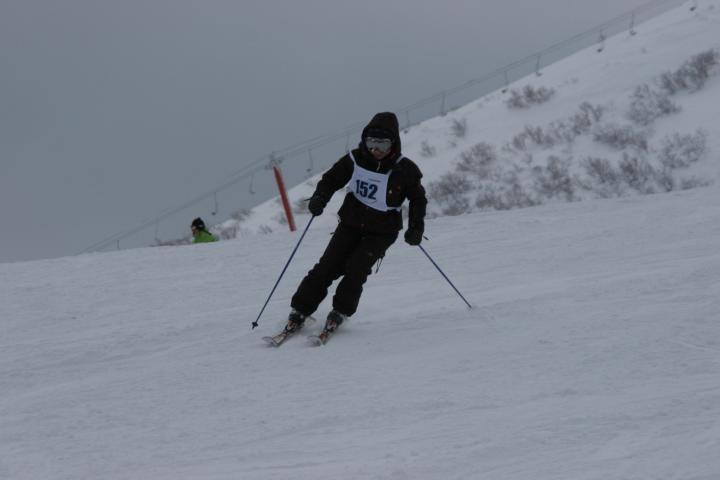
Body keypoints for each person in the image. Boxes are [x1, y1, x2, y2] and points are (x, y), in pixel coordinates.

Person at [284, 111, 427, 339]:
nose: (376, 149)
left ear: (393, 143)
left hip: (382, 232)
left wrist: (416, 228)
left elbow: (418, 200)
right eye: (371, 143)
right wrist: (320, 197)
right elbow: (331, 179)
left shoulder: (404, 169)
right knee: (327, 266)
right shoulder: (355, 159)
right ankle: (300, 309)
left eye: (382, 144)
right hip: (350, 223)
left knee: (356, 269)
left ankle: (340, 311)